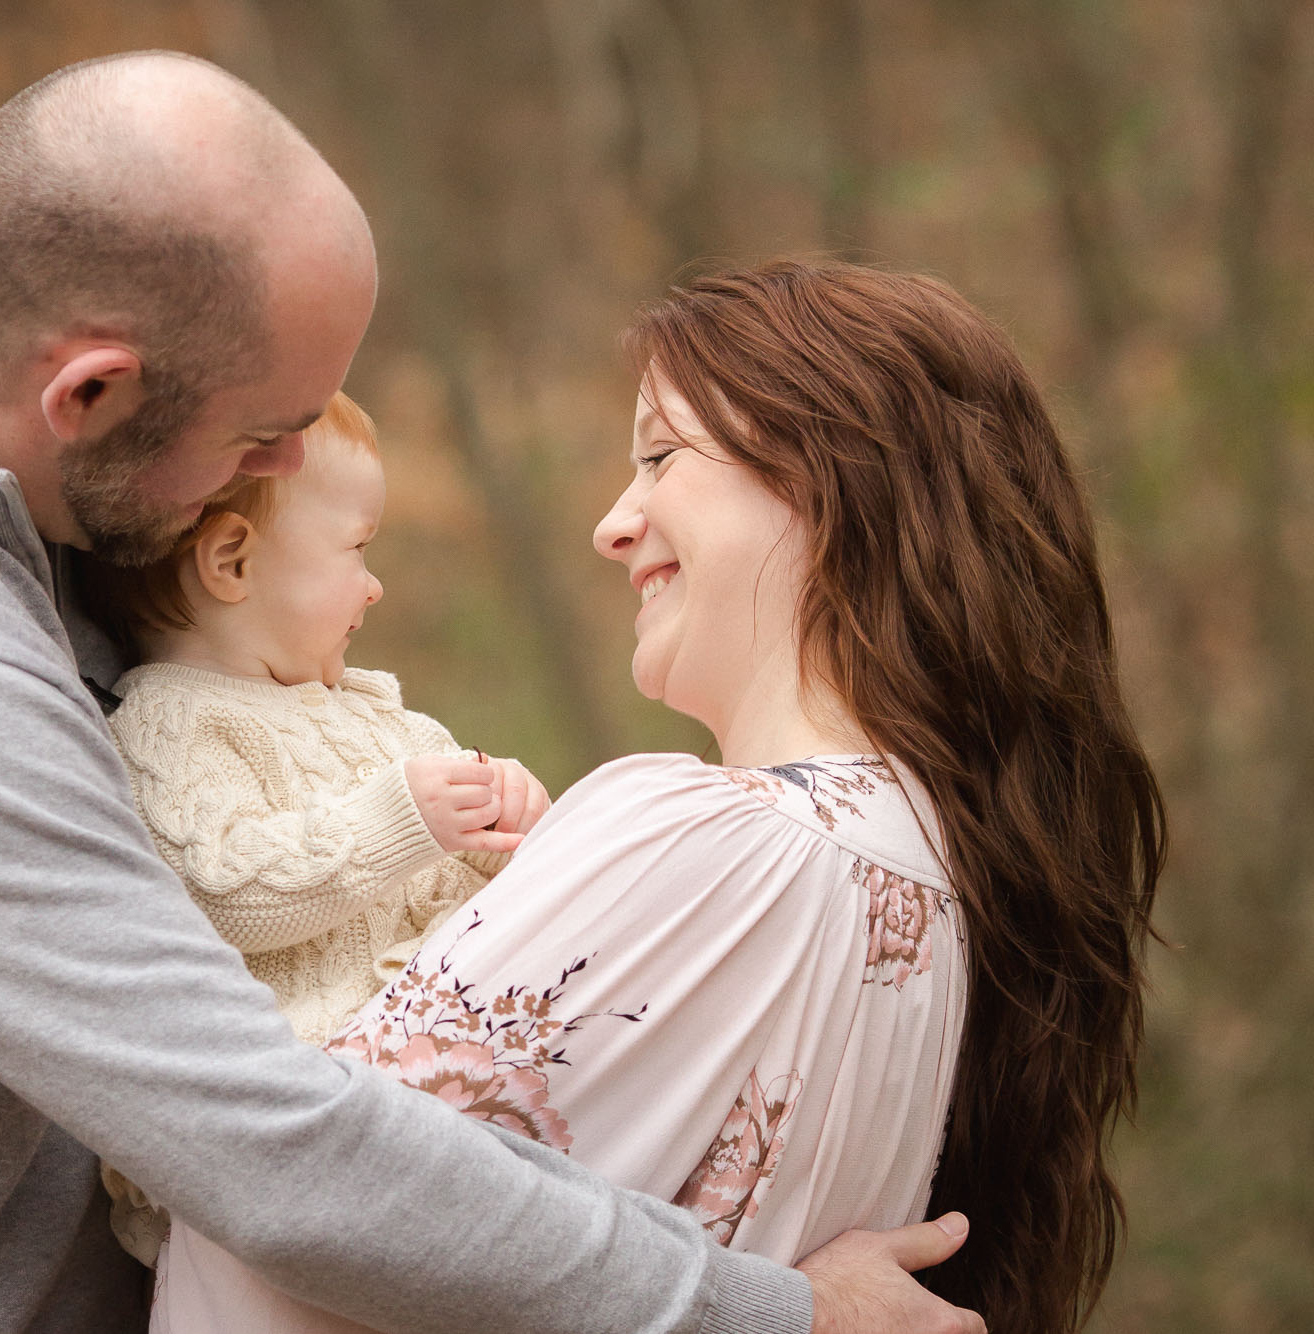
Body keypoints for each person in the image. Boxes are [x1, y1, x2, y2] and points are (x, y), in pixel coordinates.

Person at [0, 50, 984, 1334]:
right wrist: (770, 1310)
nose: (274, 489)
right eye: (266, 436)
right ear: (95, 392)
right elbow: (271, 1150)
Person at [148, 262, 1161, 1334]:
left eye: (661, 455)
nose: (611, 525)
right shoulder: (932, 874)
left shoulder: (700, 831)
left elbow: (291, 1183)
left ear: (831, 478)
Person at [88, 390, 550, 1260]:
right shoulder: (174, 726)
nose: (374, 582)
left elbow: (462, 878)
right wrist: (395, 823)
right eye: (356, 548)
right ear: (231, 561)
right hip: (311, 1115)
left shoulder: (377, 715)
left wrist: (511, 832)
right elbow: (221, 888)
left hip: (447, 1071)